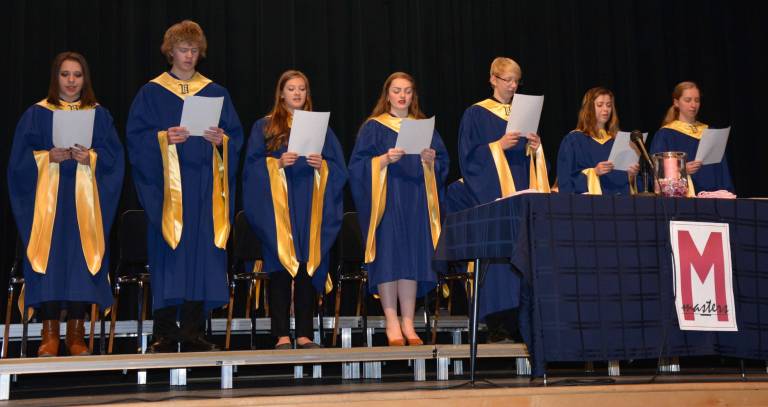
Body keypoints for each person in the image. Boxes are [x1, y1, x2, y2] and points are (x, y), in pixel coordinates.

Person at [126, 20, 243, 353]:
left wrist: (223, 141)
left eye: (193, 50)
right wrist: (164, 138)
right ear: (170, 52)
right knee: (169, 253)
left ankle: (193, 330)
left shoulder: (216, 92)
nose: (189, 56)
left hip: (206, 189)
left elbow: (235, 136)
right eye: (182, 49)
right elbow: (135, 139)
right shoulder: (152, 92)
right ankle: (164, 332)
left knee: (202, 256)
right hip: (169, 192)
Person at [8, 51, 124, 356]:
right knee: (50, 260)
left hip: (84, 206)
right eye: (65, 74)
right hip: (49, 205)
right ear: (55, 78)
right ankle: (49, 334)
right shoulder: (37, 114)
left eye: (77, 75)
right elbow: (17, 164)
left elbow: (115, 159)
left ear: (85, 79)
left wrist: (92, 157)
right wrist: (47, 157)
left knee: (80, 263)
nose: (71, 81)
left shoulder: (99, 115)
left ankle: (76, 334)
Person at [242, 70, 347, 349]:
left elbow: (339, 170)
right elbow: (250, 169)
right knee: (279, 267)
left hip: (309, 206)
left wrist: (321, 165)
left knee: (305, 267)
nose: (297, 93)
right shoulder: (264, 127)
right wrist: (276, 163)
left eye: (302, 89)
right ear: (281, 93)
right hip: (278, 210)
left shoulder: (320, 128)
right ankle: (281, 334)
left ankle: (304, 333)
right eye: (291, 89)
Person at [349, 72, 448, 346]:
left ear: (413, 95)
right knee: (389, 258)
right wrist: (382, 160)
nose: (402, 96)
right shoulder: (374, 128)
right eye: (397, 91)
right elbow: (356, 168)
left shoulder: (423, 126)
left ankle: (408, 322)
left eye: (407, 91)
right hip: (387, 200)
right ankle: (391, 321)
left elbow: (442, 166)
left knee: (411, 259)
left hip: (415, 199)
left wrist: (431, 160)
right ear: (387, 94)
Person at [457, 57, 549, 342]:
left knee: (523, 250)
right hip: (493, 194)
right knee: (499, 255)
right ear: (493, 79)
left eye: (516, 80)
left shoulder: (524, 112)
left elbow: (532, 158)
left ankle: (525, 317)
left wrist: (535, 148)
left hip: (521, 188)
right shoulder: (476, 113)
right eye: (507, 79)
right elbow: (468, 159)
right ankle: (498, 319)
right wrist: (497, 146)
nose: (512, 85)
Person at [650, 81, 734, 194]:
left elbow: (723, 171)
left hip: (713, 196)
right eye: (688, 100)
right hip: (683, 200)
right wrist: (682, 171)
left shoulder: (710, 133)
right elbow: (658, 174)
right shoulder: (665, 135)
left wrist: (727, 193)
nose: (693, 105)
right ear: (676, 102)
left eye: (697, 100)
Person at [557, 86, 640, 195]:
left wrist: (631, 176)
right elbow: (565, 182)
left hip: (621, 205)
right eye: (600, 105)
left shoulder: (619, 142)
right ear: (589, 108)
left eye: (609, 105)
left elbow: (625, 182)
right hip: (590, 206)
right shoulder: (573, 140)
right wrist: (594, 172)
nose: (605, 109)